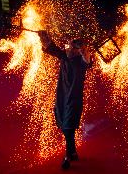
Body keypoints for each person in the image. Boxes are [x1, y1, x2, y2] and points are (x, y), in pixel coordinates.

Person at [38, 31, 91, 169]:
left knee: (68, 127)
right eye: (67, 47)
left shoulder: (81, 62)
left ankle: (68, 156)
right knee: (65, 126)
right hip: (62, 97)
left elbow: (86, 56)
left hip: (74, 99)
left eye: (70, 48)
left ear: (76, 51)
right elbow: (51, 47)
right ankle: (73, 152)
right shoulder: (64, 57)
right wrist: (44, 37)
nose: (67, 49)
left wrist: (79, 46)